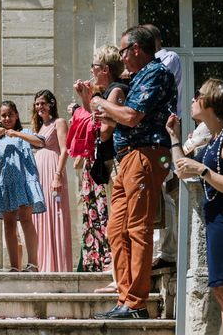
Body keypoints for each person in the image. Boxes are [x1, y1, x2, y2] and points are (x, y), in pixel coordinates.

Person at [92, 25, 177, 320]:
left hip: (145, 154)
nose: (122, 57)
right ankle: (125, 298)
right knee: (116, 229)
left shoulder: (156, 72)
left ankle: (136, 303)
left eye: (124, 51)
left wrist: (100, 101)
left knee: (138, 229)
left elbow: (131, 116)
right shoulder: (140, 76)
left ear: (137, 49)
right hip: (128, 158)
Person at [167, 78, 223, 334]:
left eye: (198, 95)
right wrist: (174, 138)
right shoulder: (213, 139)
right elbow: (182, 170)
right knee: (221, 291)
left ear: (212, 102)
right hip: (216, 222)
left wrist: (202, 169)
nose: (193, 100)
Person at [72, 45, 128, 272]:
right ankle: (115, 270)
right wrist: (87, 98)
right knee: (112, 219)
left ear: (105, 69)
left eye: (94, 66)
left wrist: (93, 99)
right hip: (108, 161)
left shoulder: (115, 91)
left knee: (116, 219)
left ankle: (117, 272)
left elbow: (104, 131)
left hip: (115, 161)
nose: (91, 70)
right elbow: (96, 121)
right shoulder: (108, 92)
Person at [0, 100, 45, 272]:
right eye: (3, 115)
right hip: (4, 185)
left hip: (23, 182)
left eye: (10, 114)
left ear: (16, 116)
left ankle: (33, 264)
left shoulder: (25, 132)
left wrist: (17, 134)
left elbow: (40, 142)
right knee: (8, 224)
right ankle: (14, 265)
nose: (7, 118)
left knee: (26, 220)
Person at [143, 24, 183, 271]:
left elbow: (154, 83)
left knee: (166, 189)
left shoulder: (169, 58)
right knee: (153, 192)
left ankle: (167, 251)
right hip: (150, 136)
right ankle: (157, 251)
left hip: (164, 136)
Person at [31, 89, 72, 272]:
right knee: (41, 218)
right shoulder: (39, 127)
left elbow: (65, 150)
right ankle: (43, 264)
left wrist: (57, 175)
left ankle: (58, 267)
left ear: (51, 104)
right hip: (40, 175)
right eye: (37, 104)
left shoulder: (59, 122)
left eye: (43, 103)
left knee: (55, 216)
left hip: (53, 172)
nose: (40, 107)